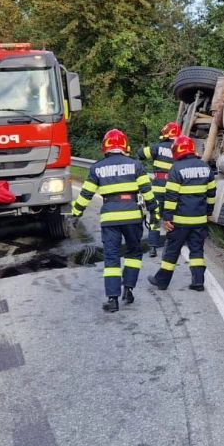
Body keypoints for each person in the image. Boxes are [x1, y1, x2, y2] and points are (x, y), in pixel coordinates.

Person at [72, 129, 158, 312]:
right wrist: (154, 212)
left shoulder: (97, 168)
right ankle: (128, 289)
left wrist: (75, 214)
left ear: (105, 147)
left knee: (111, 258)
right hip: (132, 217)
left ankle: (113, 300)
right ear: (124, 146)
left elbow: (86, 194)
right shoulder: (136, 165)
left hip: (110, 218)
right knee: (134, 253)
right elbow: (147, 193)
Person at [148, 135, 216, 292]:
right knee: (197, 250)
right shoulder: (205, 168)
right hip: (199, 220)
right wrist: (208, 212)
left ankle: (161, 281)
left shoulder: (176, 169)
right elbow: (211, 194)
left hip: (179, 221)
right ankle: (198, 282)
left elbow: (171, 196)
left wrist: (167, 218)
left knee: (172, 251)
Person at [137, 121, 180, 258]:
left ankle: (153, 248)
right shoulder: (181, 149)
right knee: (172, 218)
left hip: (158, 188)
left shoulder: (157, 147)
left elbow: (141, 153)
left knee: (155, 218)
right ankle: (170, 247)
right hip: (175, 190)